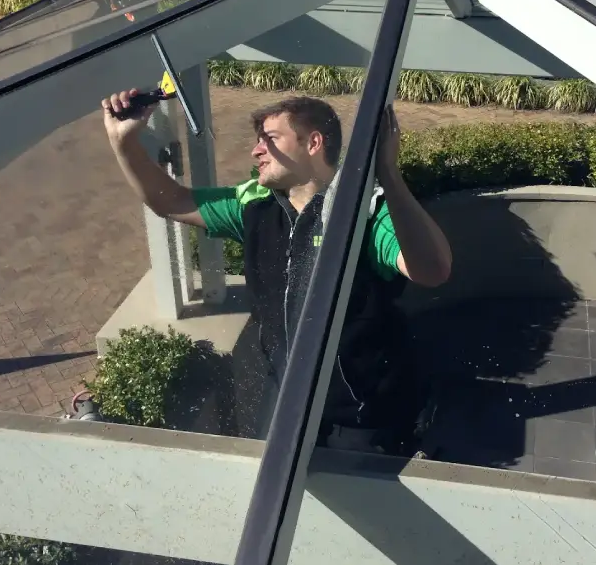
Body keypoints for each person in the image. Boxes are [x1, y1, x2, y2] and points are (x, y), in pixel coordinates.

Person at [102, 89, 452, 454]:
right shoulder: (253, 207)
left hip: (367, 417)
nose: (256, 151)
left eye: (269, 139)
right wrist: (123, 142)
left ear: (313, 143)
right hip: (292, 406)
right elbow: (170, 201)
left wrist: (389, 174)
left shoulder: (366, 212)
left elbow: (433, 270)